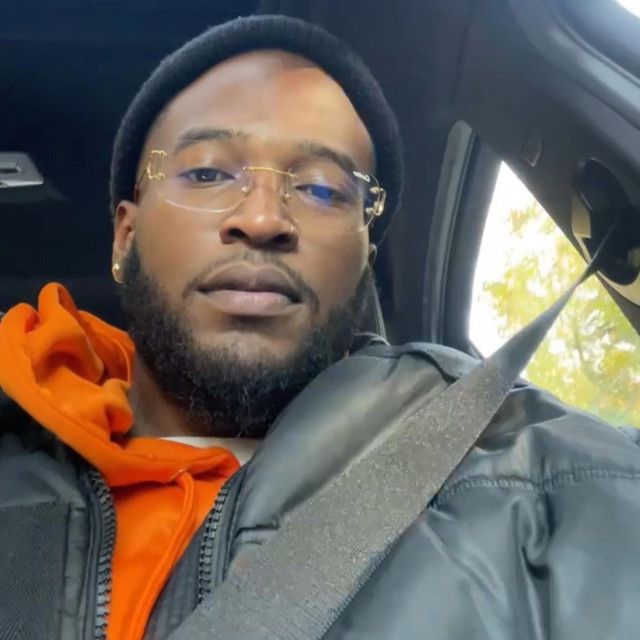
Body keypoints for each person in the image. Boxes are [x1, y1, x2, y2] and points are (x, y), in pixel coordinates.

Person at [1, 13, 640, 640]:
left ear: (364, 262)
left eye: (324, 190)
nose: (261, 220)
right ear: (125, 236)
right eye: (207, 172)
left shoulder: (538, 480)